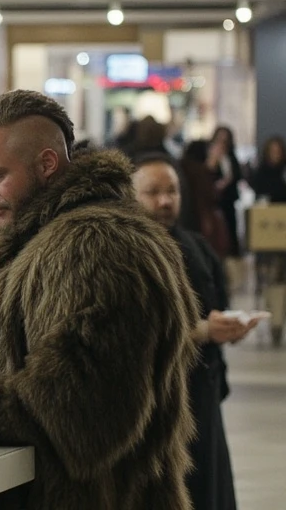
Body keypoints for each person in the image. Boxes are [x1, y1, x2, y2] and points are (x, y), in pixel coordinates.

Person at [0, 90, 197, 509]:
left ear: (47, 165)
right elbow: (13, 359)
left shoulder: (102, 244)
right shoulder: (42, 239)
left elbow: (92, 395)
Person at [132, 152, 257, 510]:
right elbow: (135, 332)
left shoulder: (196, 246)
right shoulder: (128, 255)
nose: (165, 201)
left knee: (211, 489)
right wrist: (203, 330)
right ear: (130, 196)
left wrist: (231, 326)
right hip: (157, 402)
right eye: (153, 192)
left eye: (172, 191)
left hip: (204, 391)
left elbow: (216, 302)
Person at [210, 126, 244, 258]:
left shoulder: (232, 156)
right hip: (215, 202)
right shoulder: (211, 154)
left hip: (229, 200)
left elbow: (237, 175)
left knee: (231, 229)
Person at [248, 136, 286, 203]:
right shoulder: (261, 172)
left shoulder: (284, 171)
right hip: (267, 209)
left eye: (278, 151)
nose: (276, 155)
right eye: (273, 151)